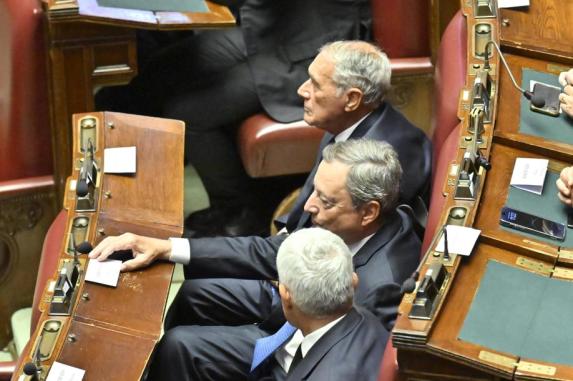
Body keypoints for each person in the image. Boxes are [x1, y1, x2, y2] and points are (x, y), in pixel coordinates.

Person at [89, 139, 421, 380]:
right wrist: (166, 247)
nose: (308, 207)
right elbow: (267, 251)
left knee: (180, 347)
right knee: (193, 294)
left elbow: (339, 355)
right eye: (314, 192)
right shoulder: (341, 216)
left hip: (301, 354)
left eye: (325, 200)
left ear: (369, 212)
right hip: (293, 310)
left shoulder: (383, 283)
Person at [95, 0, 373, 236]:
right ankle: (128, 201)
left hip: (318, 45)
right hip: (272, 31)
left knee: (187, 112)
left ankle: (239, 212)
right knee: (158, 70)